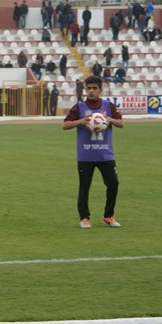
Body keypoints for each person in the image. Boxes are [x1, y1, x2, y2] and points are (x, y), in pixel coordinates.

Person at [62, 75, 124, 229]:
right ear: (85, 90)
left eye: (94, 88)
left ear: (100, 90)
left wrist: (109, 119)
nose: (91, 91)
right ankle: (84, 218)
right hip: (86, 155)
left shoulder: (108, 106)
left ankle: (108, 216)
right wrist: (81, 121)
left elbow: (121, 123)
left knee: (113, 183)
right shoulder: (79, 107)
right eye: (88, 88)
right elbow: (65, 125)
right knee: (84, 187)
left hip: (105, 154)